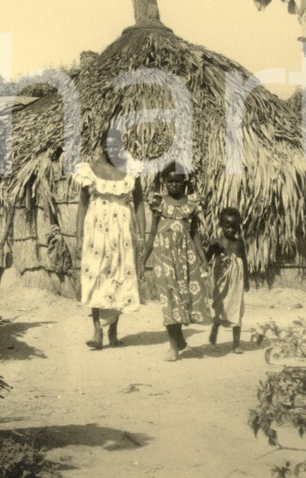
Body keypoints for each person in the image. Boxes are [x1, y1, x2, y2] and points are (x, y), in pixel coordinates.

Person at [73, 129, 145, 350]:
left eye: (116, 145)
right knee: (96, 274)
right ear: (101, 145)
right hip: (96, 230)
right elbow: (82, 205)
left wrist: (142, 234)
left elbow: (139, 203)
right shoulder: (90, 170)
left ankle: (113, 330)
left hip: (122, 231)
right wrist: (78, 237)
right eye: (108, 144)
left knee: (119, 274)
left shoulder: (131, 169)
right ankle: (97, 331)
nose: (112, 149)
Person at [141, 164, 213, 361]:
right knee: (169, 299)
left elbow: (195, 233)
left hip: (185, 257)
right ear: (164, 182)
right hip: (163, 256)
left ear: (184, 182)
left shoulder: (191, 204)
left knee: (184, 297)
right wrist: (143, 260)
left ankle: (178, 337)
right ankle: (173, 347)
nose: (174, 185)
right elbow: (153, 233)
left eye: (178, 181)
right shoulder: (158, 203)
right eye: (170, 181)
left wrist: (203, 259)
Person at [207, 207, 248, 354]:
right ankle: (214, 331)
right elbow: (206, 258)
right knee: (220, 307)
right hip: (220, 281)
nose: (231, 230)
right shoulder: (216, 242)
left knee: (236, 308)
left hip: (236, 283)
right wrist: (212, 250)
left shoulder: (239, 244)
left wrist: (246, 280)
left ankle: (236, 344)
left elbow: (244, 261)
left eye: (234, 227)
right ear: (221, 225)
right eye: (227, 226)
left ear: (238, 227)